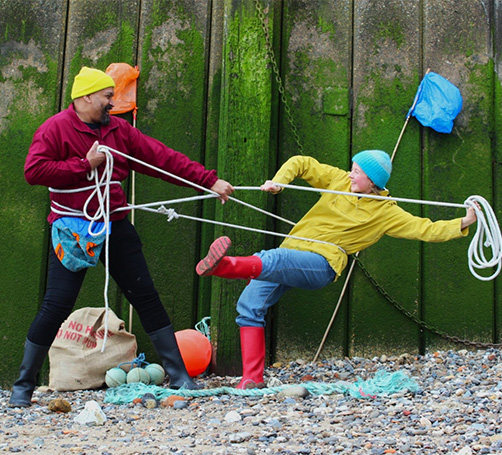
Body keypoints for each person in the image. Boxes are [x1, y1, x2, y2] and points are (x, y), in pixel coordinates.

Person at [9, 67, 234, 407]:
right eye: (106, 97)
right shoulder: (55, 129)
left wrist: (208, 181)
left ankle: (181, 378)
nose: (112, 103)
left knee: (145, 296)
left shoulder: (119, 130)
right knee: (56, 305)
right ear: (85, 97)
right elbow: (33, 171)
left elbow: (162, 159)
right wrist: (84, 164)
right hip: (72, 230)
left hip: (114, 224)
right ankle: (23, 387)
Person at [196, 151, 478, 389]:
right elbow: (303, 163)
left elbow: (425, 229)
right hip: (293, 250)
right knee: (249, 305)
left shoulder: (386, 212)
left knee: (272, 260)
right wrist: (279, 182)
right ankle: (253, 380)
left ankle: (223, 266)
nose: (350, 174)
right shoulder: (338, 180)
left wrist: (464, 222)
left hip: (322, 264)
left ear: (372, 182)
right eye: (352, 169)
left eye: (357, 172)